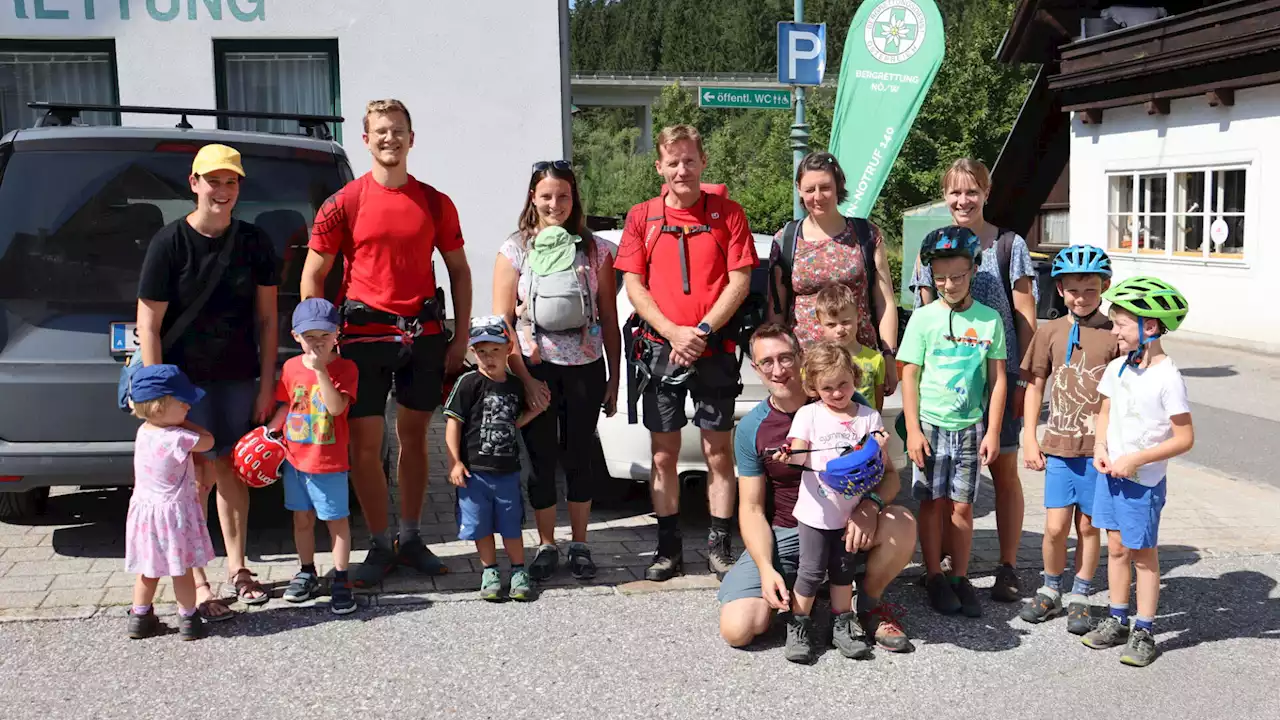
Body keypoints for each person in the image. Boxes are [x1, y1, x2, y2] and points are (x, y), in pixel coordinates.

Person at [301, 99, 475, 588]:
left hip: (423, 335)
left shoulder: (435, 202)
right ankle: (379, 544)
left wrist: (460, 336)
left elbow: (459, 271)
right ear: (366, 140)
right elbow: (313, 274)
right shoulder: (343, 203)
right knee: (365, 447)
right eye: (380, 131)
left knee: (415, 440)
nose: (389, 139)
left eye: (398, 131)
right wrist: (319, 343)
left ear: (411, 138)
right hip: (362, 337)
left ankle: (412, 537)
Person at [136, 143, 278, 617]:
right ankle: (196, 583)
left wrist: (264, 385)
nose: (222, 190)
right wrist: (160, 400)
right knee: (191, 480)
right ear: (193, 183)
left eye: (231, 181)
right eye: (213, 180)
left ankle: (238, 569)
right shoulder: (169, 243)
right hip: (184, 386)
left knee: (231, 471)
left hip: (238, 378)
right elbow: (149, 326)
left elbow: (267, 321)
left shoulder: (254, 241)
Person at [613, 124, 758, 581]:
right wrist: (673, 332)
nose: (682, 169)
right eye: (673, 162)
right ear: (660, 166)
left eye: (689, 160)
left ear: (703, 162)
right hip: (661, 348)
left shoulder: (729, 214)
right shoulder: (643, 217)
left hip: (712, 349)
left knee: (719, 450)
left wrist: (698, 331)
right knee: (662, 454)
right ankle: (667, 547)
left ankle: (719, 545)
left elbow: (740, 281)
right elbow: (633, 285)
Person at [718, 324, 916, 655]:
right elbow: (751, 510)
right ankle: (802, 604)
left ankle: (866, 606)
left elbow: (890, 476)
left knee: (903, 522)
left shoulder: (844, 400)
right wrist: (767, 569)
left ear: (800, 358)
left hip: (846, 521)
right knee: (738, 628)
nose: (778, 370)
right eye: (767, 362)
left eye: (785, 358)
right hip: (790, 532)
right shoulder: (752, 427)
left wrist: (869, 507)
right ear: (755, 368)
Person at [910, 158, 1038, 603]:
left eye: (971, 192)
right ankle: (945, 564)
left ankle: (1007, 565)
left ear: (985, 193)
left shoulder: (1009, 245)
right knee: (943, 484)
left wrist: (1022, 379)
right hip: (946, 386)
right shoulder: (933, 247)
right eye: (954, 192)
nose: (962, 201)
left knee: (1002, 470)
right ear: (945, 196)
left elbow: (1025, 316)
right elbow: (925, 315)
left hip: (997, 376)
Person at [493, 160, 621, 582]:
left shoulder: (597, 249)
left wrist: (615, 377)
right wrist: (525, 380)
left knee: (580, 458)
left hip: (586, 368)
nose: (554, 203)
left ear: (574, 197)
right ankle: (547, 544)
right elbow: (502, 324)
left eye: (563, 195)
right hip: (536, 368)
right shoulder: (514, 249)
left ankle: (579, 543)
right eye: (546, 195)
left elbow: (608, 316)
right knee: (541, 459)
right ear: (533, 197)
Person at [1083, 276, 1194, 668]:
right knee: (1115, 548)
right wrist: (1100, 448)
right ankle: (1117, 618)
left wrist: (1138, 459)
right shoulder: (1118, 367)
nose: (1114, 331)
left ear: (1150, 327)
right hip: (1110, 474)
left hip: (1142, 482)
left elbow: (1184, 438)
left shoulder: (1168, 378)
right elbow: (1105, 412)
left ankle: (1144, 629)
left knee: (1143, 556)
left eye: (1121, 324)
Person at [900, 226, 1007, 619]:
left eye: (958, 276)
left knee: (962, 508)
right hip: (929, 425)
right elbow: (908, 375)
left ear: (975, 270)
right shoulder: (924, 319)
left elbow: (997, 381)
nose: (949, 284)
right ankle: (933, 575)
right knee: (931, 503)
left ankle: (960, 577)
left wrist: (993, 430)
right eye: (940, 277)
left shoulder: (990, 319)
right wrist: (912, 429)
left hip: (969, 427)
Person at [1019, 246, 1119, 634]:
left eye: (1090, 290)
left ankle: (1080, 594)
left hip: (1097, 451)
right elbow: (1035, 385)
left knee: (1090, 527)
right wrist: (1031, 436)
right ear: (1059, 289)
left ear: (1105, 287)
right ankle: (1050, 588)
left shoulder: (1114, 335)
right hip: (1059, 446)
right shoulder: (1050, 332)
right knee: (1056, 527)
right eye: (1073, 290)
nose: (1081, 297)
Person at [774, 343, 892, 663]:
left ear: (855, 377)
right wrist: (789, 454)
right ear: (813, 388)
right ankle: (798, 624)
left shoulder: (868, 417)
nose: (837, 392)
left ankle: (842, 623)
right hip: (814, 514)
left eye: (843, 383)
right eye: (827, 387)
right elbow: (798, 453)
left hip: (848, 514)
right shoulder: (808, 414)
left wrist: (879, 445)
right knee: (810, 572)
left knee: (843, 572)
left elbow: (880, 460)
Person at [770, 152, 900, 396]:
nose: (817, 197)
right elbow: (776, 311)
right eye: (810, 189)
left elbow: (885, 302)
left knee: (865, 433)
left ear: (838, 187)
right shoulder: (786, 239)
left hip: (858, 370)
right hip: (805, 371)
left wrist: (889, 356)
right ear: (799, 189)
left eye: (825, 188)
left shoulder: (866, 235)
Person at [444, 317, 544, 601]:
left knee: (511, 525)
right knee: (480, 525)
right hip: (474, 473)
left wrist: (535, 412)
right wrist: (454, 462)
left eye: (495, 351)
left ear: (508, 348)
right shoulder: (468, 383)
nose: (489, 358)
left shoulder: (514, 386)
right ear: (472, 353)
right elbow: (454, 422)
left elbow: (514, 423)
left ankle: (518, 570)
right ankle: (489, 570)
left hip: (507, 471)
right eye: (482, 352)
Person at [270, 298, 360, 615]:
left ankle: (341, 579)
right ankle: (306, 571)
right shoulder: (291, 367)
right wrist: (270, 432)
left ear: (337, 334)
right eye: (310, 337)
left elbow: (336, 408)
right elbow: (286, 405)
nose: (317, 343)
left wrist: (321, 371)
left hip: (329, 462)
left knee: (337, 522)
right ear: (296, 336)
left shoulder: (345, 368)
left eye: (324, 336)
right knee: (301, 518)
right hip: (296, 460)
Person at [124, 365, 216, 641]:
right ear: (157, 408)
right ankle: (188, 619)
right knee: (182, 569)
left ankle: (139, 617)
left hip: (145, 513)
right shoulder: (178, 438)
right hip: (174, 515)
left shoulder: (144, 432)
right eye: (182, 402)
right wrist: (185, 424)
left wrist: (177, 419)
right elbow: (209, 442)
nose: (188, 406)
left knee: (147, 569)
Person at [815, 283, 887, 410]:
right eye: (831, 325)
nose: (840, 329)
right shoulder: (815, 363)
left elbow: (878, 402)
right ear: (819, 322)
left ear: (858, 316)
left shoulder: (875, 359)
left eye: (845, 322)